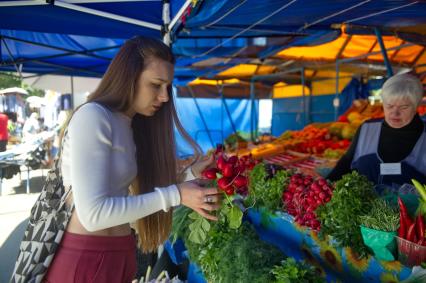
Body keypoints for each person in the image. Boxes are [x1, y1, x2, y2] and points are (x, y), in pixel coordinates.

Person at [43, 36, 220, 283]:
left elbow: (137, 191)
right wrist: (177, 194)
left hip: (119, 253)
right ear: (129, 77)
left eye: (167, 87)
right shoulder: (94, 117)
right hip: (86, 259)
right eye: (156, 85)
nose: (165, 97)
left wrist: (191, 176)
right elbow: (94, 215)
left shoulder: (129, 123)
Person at [327, 73, 425, 190]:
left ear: (416, 106)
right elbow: (346, 163)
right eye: (389, 106)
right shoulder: (366, 129)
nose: (395, 113)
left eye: (404, 107)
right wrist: (325, 186)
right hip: (362, 207)